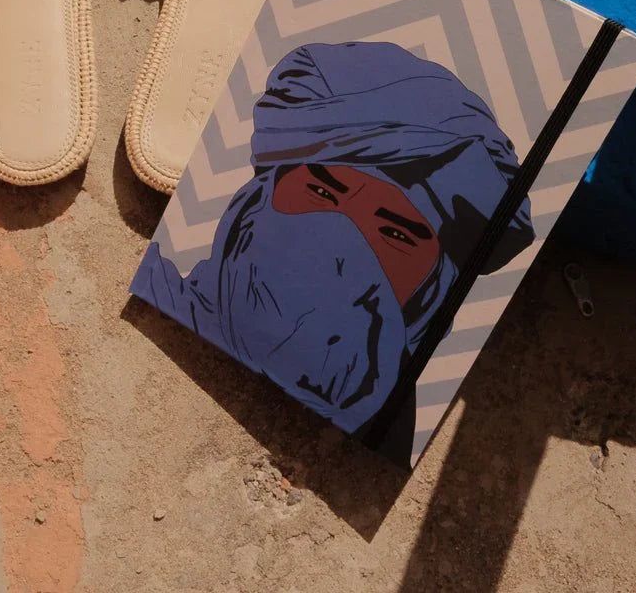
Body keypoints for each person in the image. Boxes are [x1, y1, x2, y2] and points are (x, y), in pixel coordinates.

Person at [131, 41, 535, 464]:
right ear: (255, 196)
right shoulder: (157, 292)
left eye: (394, 234)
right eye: (321, 193)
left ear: (435, 290)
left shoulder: (388, 444)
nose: (340, 250)